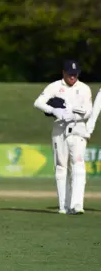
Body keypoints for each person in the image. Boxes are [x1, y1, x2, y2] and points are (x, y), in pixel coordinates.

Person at [34, 60, 92, 215]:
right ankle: (63, 206)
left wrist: (72, 113)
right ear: (63, 73)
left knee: (78, 165)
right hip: (59, 130)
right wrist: (55, 111)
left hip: (78, 130)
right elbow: (38, 103)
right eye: (70, 74)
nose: (73, 77)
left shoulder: (84, 89)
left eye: (75, 74)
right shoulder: (55, 86)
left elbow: (88, 111)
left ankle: (77, 204)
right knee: (60, 166)